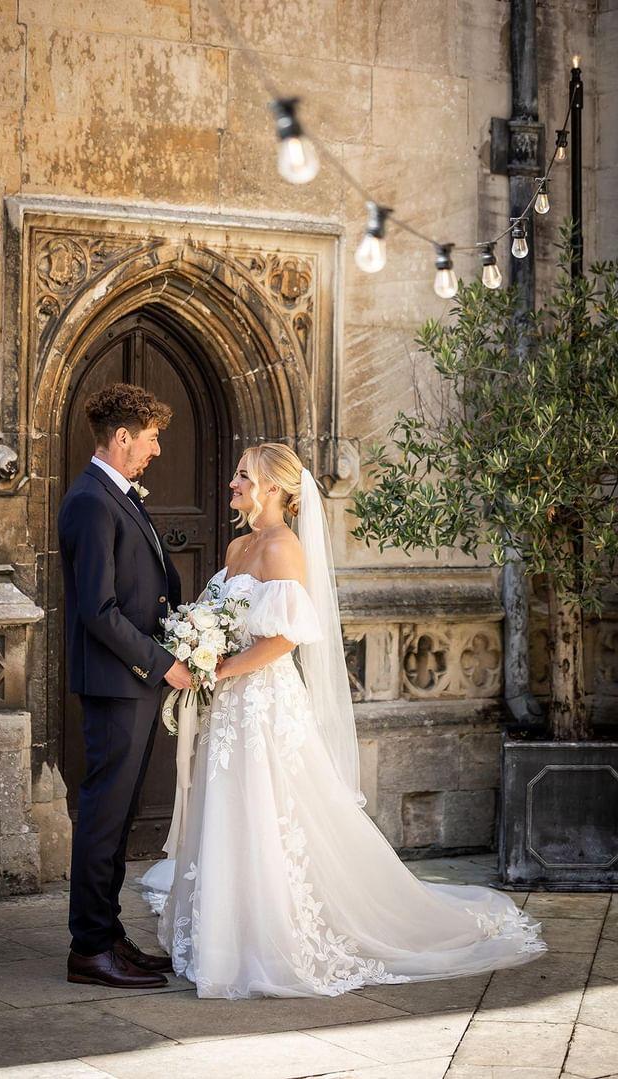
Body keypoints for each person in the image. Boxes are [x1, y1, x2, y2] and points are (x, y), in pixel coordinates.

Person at [145, 442, 548, 998]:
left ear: (275, 489)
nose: (233, 484)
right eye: (236, 474)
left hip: (263, 701)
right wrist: (201, 649)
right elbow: (228, 619)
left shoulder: (283, 548)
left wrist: (221, 668)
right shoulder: (239, 546)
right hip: (232, 704)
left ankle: (274, 938)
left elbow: (286, 636)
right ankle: (226, 931)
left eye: (242, 476)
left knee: (273, 810)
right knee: (233, 806)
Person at [58, 382, 192, 988]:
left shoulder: (119, 497)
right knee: (102, 818)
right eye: (152, 438)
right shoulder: (90, 501)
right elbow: (98, 609)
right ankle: (88, 948)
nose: (157, 450)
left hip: (133, 683)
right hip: (119, 683)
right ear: (122, 438)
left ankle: (108, 933)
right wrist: (161, 662)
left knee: (119, 815)